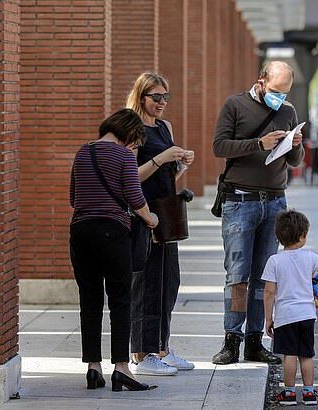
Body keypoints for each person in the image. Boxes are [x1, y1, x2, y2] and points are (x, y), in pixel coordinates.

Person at [212, 61, 305, 365]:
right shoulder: (235, 105)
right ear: (261, 81)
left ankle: (255, 341)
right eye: (276, 91)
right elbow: (220, 146)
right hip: (240, 201)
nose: (280, 98)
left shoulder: (288, 111)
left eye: (285, 92)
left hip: (275, 200)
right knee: (238, 274)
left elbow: (293, 162)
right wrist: (258, 143)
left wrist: (296, 146)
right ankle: (231, 340)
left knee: (263, 277)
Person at [69, 108, 159, 391]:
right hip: (112, 232)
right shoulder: (123, 156)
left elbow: (73, 197)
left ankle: (93, 368)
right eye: (135, 140)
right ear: (129, 132)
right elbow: (134, 195)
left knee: (90, 300)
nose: (134, 146)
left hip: (80, 231)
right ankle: (121, 368)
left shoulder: (83, 152)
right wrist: (150, 218)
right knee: (120, 299)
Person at [125, 72, 195, 376]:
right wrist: (163, 157)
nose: (162, 103)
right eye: (156, 97)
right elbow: (131, 177)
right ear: (141, 97)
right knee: (147, 284)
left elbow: (166, 178)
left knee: (169, 281)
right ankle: (142, 353)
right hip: (143, 214)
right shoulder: (132, 129)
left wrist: (179, 166)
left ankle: (162, 347)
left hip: (167, 213)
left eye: (166, 97)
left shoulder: (165, 127)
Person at [262, 210, 318, 406]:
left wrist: (268, 318)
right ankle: (309, 392)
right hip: (307, 315)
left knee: (289, 355)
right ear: (302, 236)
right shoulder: (310, 257)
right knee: (306, 354)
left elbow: (269, 293)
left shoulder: (274, 261)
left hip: (285, 316)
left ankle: (289, 393)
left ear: (279, 237)